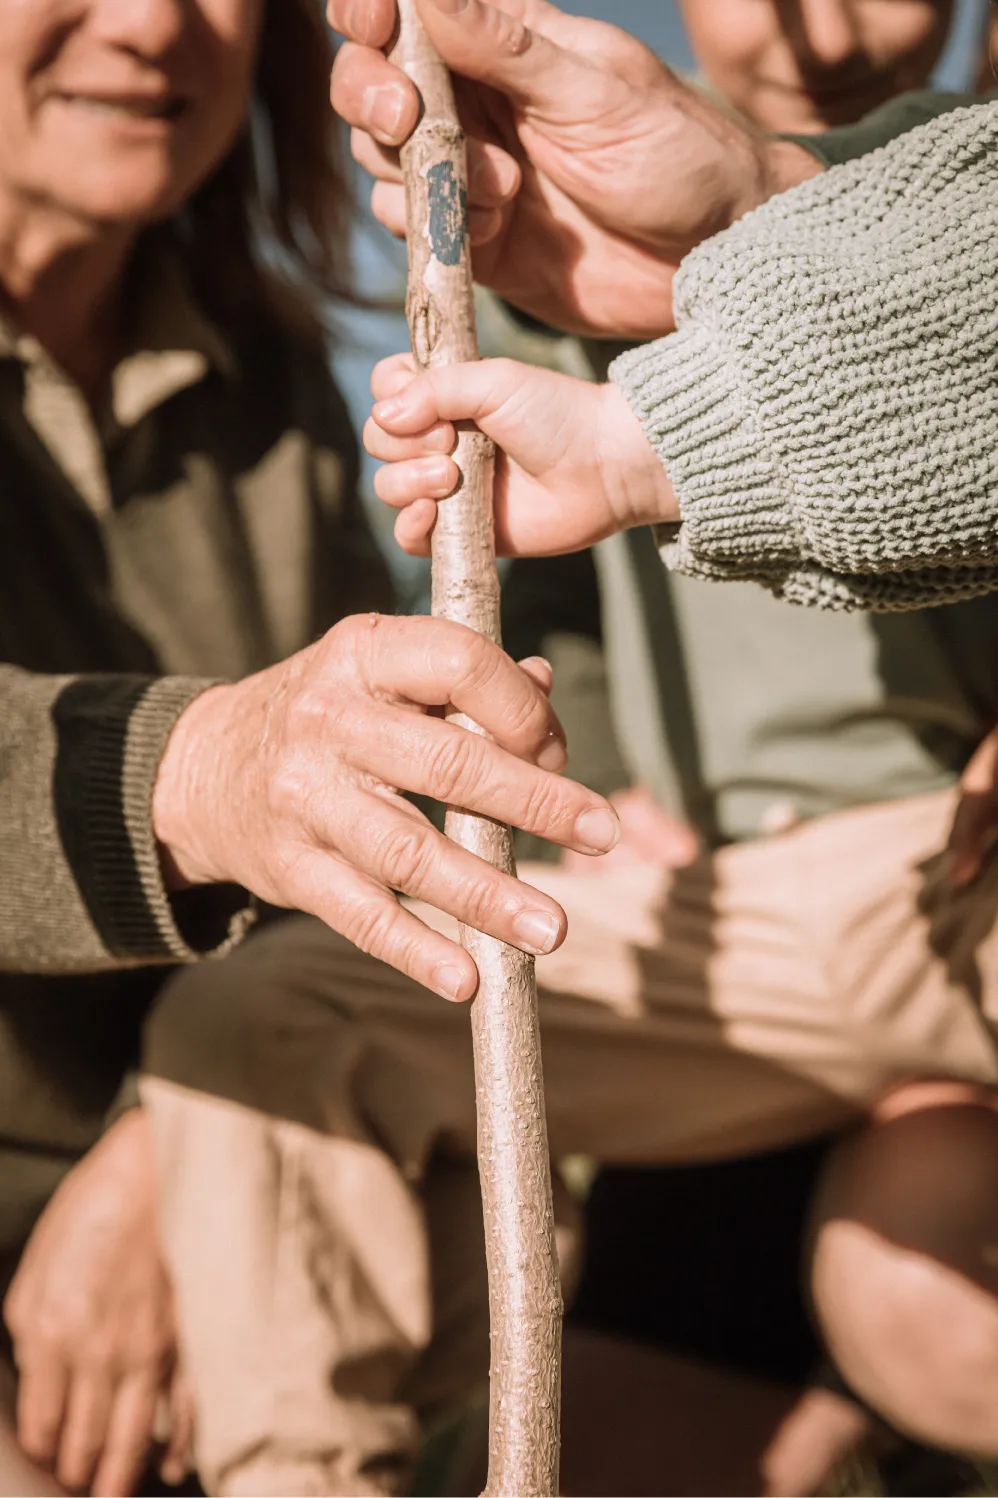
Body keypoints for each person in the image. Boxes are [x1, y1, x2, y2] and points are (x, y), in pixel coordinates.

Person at [0, 1, 623, 1495]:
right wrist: (198, 770)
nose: (154, 23)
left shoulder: (264, 383)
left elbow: (373, 782)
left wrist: (171, 1137)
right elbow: (250, 773)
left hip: (192, 1152)